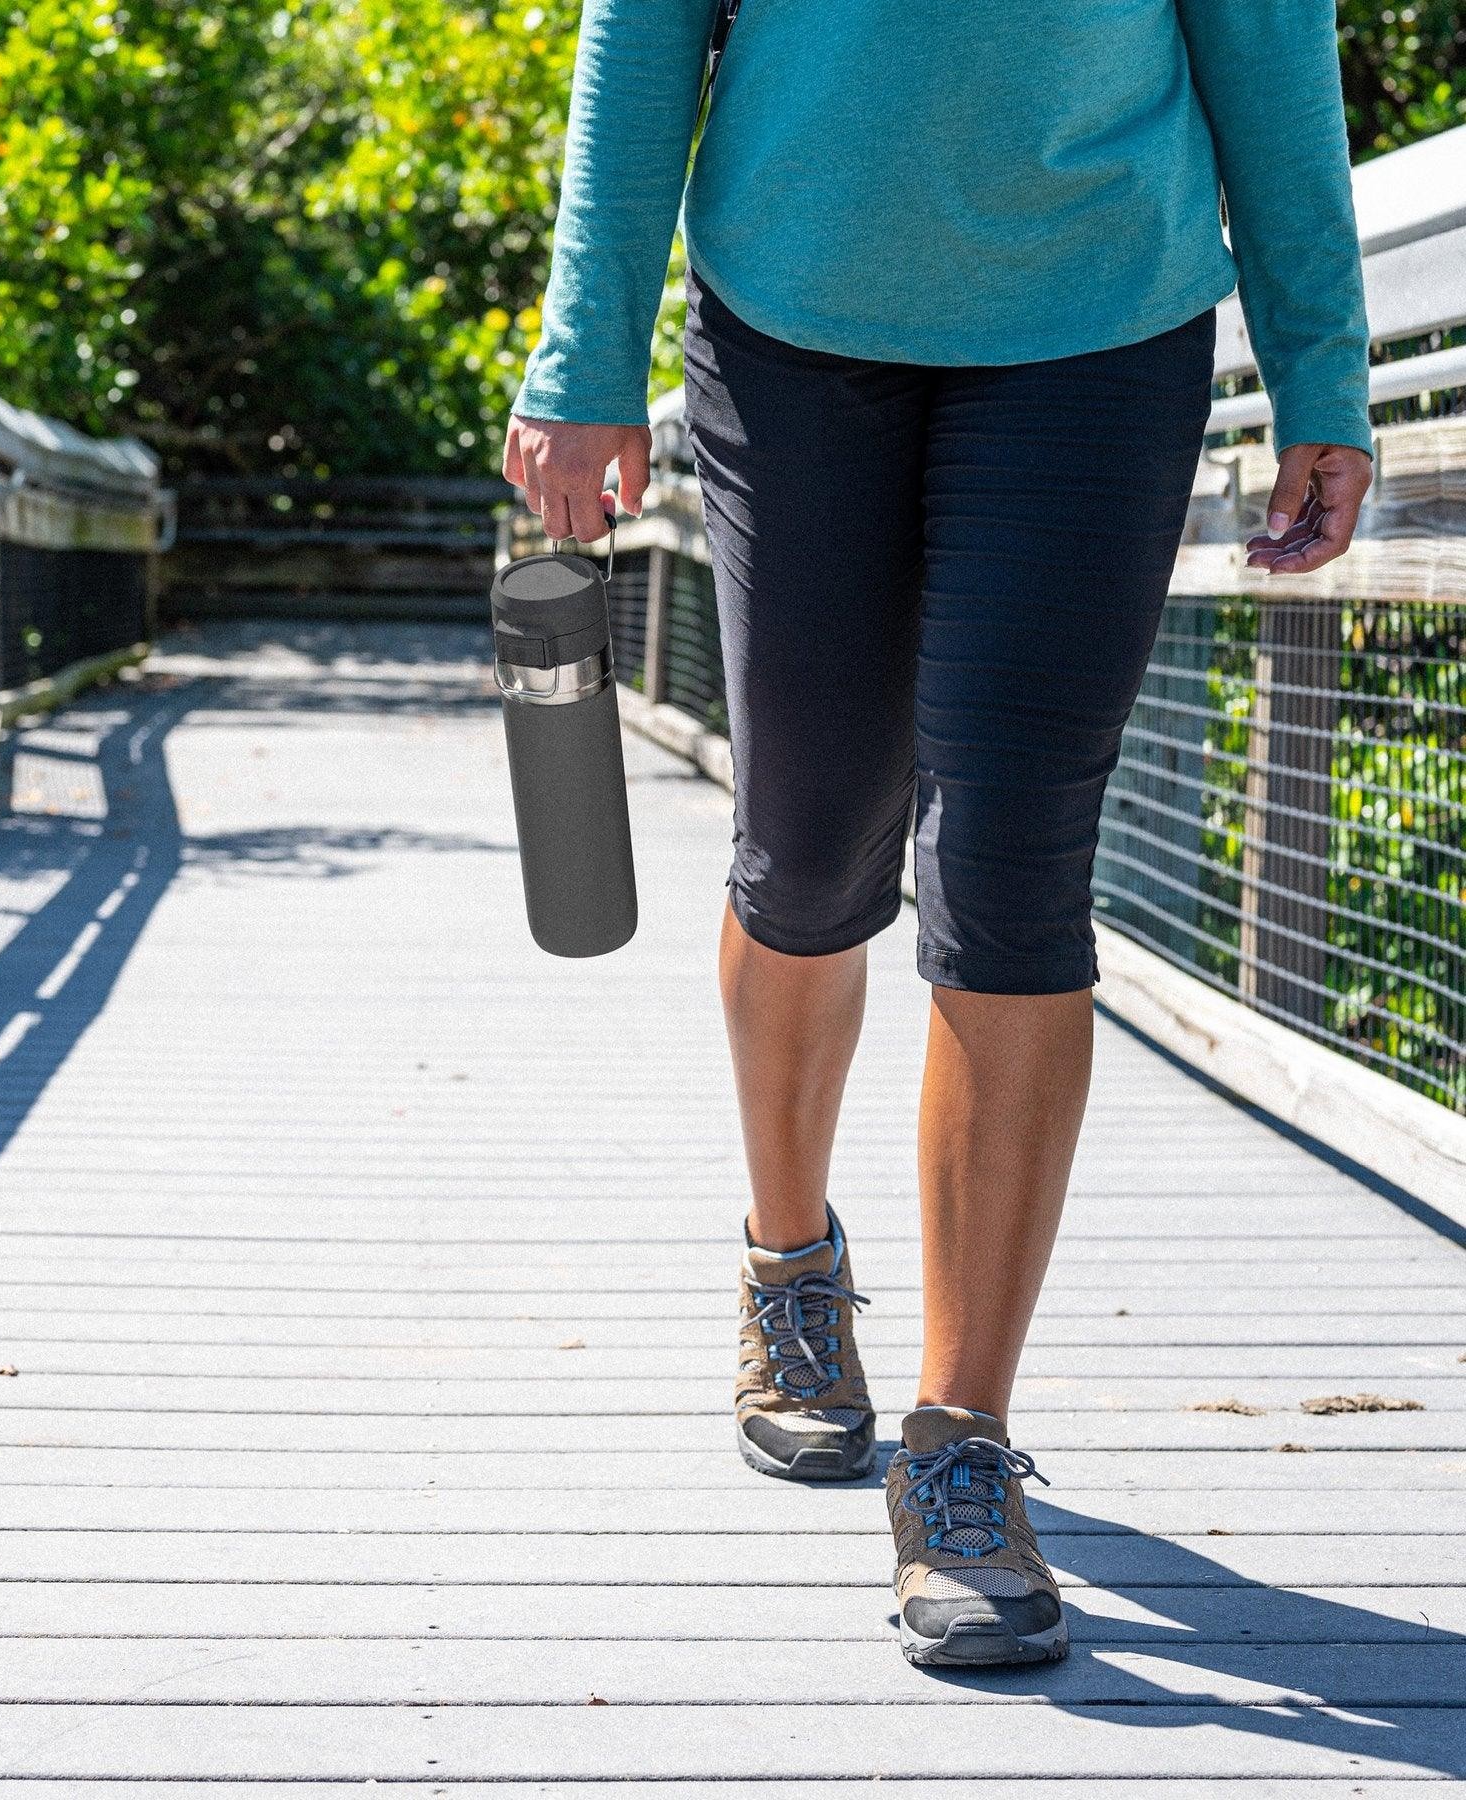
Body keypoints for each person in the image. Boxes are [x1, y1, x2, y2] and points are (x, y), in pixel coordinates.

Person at [503, 1, 1374, 1668]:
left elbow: (1268, 40)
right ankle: (788, 1264)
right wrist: (583, 357)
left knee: (1010, 871)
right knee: (812, 850)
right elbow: (642, 33)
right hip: (791, 312)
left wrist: (1320, 369)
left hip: (1098, 329)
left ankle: (960, 1447)